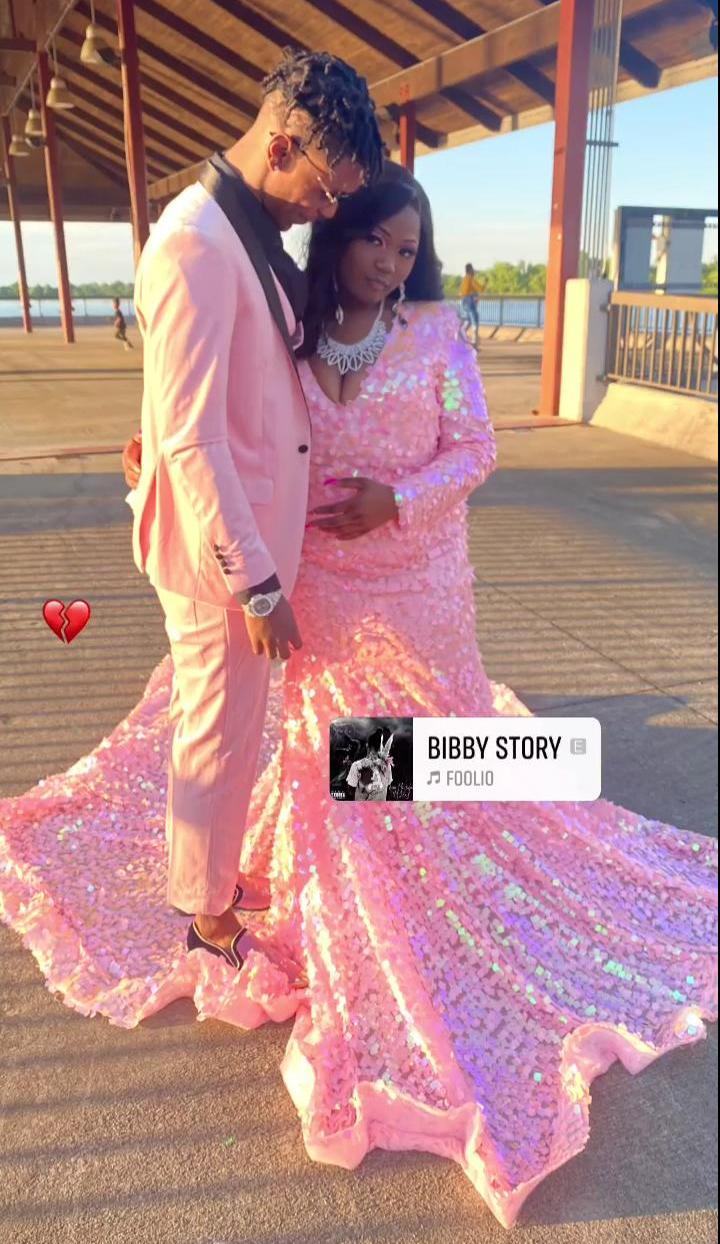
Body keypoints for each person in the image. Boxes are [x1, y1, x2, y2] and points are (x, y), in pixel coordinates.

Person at [1, 162, 716, 1230]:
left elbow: (477, 450)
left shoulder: (435, 334)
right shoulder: (287, 329)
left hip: (419, 583)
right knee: (328, 755)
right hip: (318, 588)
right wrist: (156, 458)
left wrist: (400, 499)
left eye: (406, 247)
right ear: (336, 236)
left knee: (431, 756)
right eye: (375, 239)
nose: (389, 262)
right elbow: (215, 411)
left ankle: (441, 871)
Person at [124, 47, 382, 979]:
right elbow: (194, 440)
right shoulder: (195, 242)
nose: (328, 212)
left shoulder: (244, 229)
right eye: (325, 191)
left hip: (240, 534)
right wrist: (260, 587)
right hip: (219, 559)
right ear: (280, 146)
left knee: (231, 728)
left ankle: (214, 877)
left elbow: (197, 396)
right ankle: (206, 915)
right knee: (217, 731)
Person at [457, 261, 485, 347]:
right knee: (474, 320)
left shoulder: (465, 279)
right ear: (470, 270)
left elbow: (462, 291)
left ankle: (460, 337)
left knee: (468, 320)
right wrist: (485, 282)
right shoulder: (470, 279)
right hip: (469, 301)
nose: (474, 271)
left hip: (464, 301)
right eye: (472, 270)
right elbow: (481, 289)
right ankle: (474, 342)